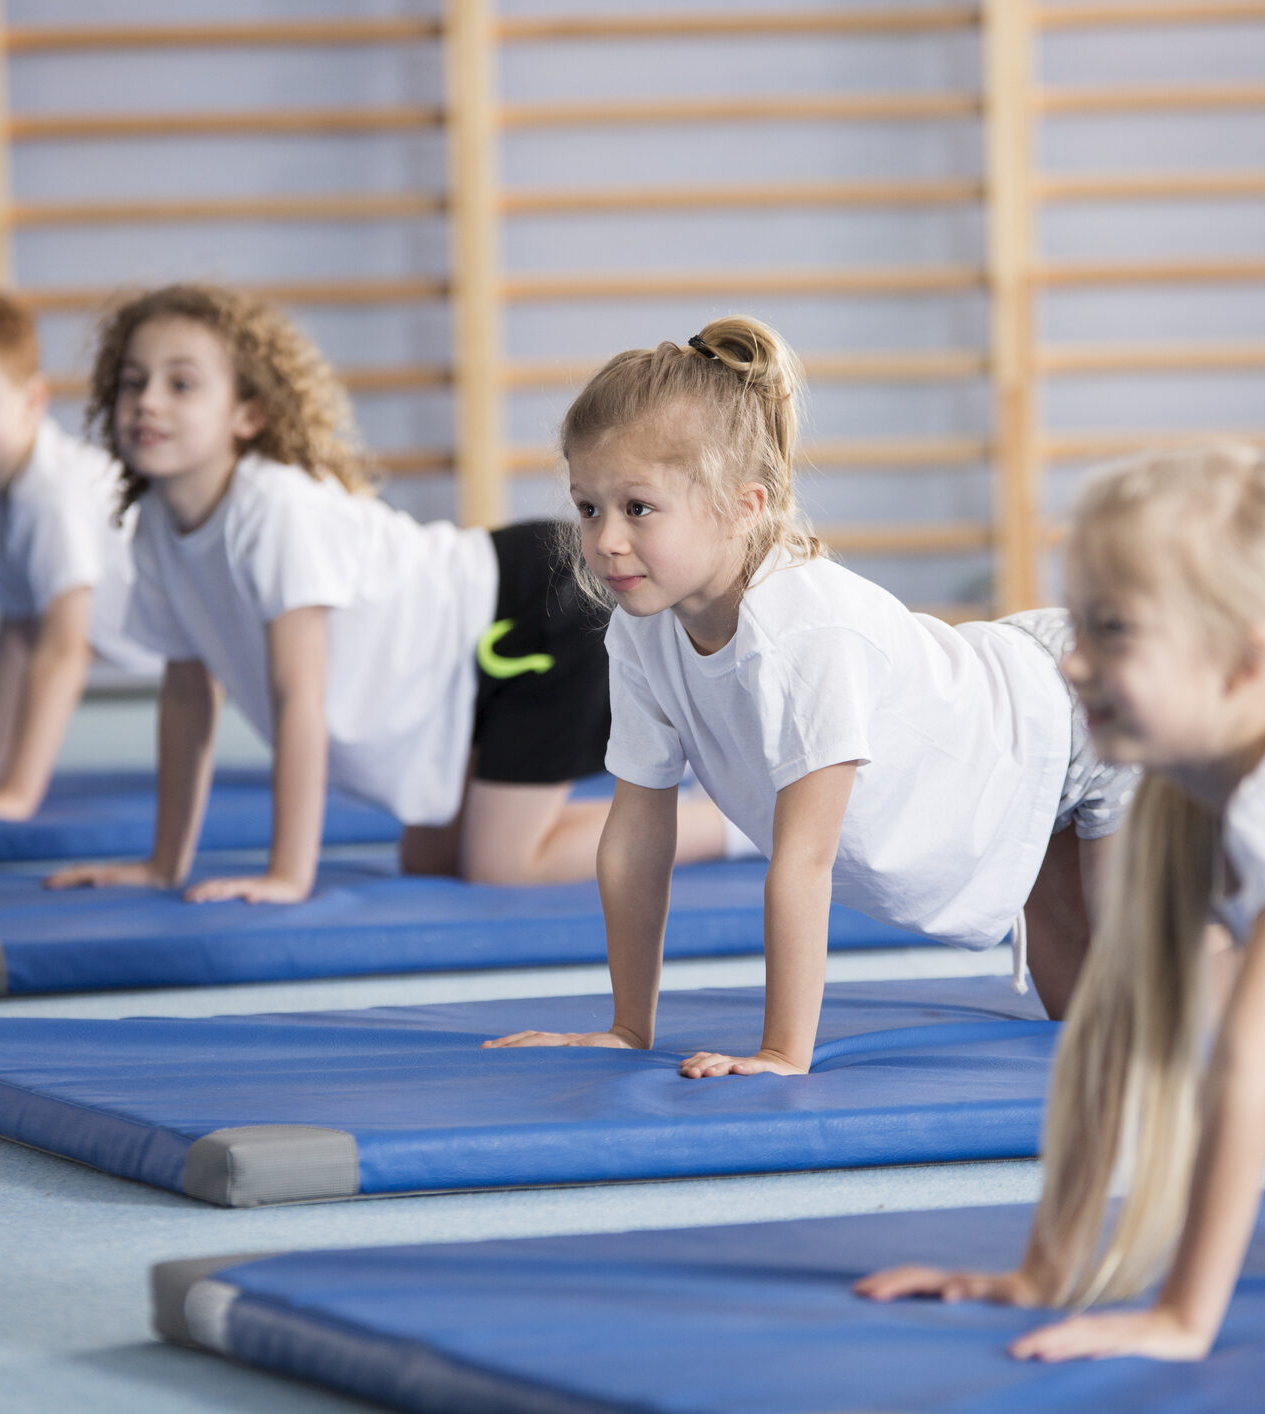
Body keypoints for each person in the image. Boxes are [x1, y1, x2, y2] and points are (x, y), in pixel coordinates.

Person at [486, 315, 1136, 1075]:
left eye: (638, 507)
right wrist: (629, 1028)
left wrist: (782, 1052)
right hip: (1014, 758)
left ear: (745, 505)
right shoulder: (640, 631)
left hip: (1081, 710)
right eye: (588, 507)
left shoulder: (802, 633)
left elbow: (804, 859)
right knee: (1087, 1029)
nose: (605, 542)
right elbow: (636, 836)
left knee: (1154, 1010)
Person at [47, 283, 722, 904]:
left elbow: (298, 701)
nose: (148, 401)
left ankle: (726, 825)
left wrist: (288, 873)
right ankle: (673, 804)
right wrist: (164, 864)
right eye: (132, 383)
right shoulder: (157, 528)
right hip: (462, 672)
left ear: (248, 413)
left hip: (532, 613)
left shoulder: (274, 509)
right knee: (432, 860)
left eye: (181, 384)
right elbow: (189, 694)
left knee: (502, 864)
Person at [857, 444, 1265, 1362]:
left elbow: (1252, 1073)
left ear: (1240, 664)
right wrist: (1046, 1272)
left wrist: (1183, 1318)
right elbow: (1119, 1032)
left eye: (1114, 631)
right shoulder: (1183, 791)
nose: (1071, 664)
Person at [0, 283, 158, 820]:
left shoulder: (51, 497)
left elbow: (65, 650)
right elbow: (16, 639)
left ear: (32, 400)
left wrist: (18, 794)